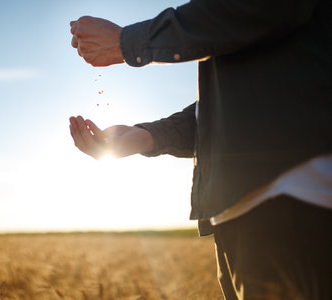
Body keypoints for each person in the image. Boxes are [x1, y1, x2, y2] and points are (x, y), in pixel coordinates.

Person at [69, 1, 332, 299]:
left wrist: (128, 41)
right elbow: (223, 107)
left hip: (294, 192)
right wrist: (145, 136)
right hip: (240, 211)